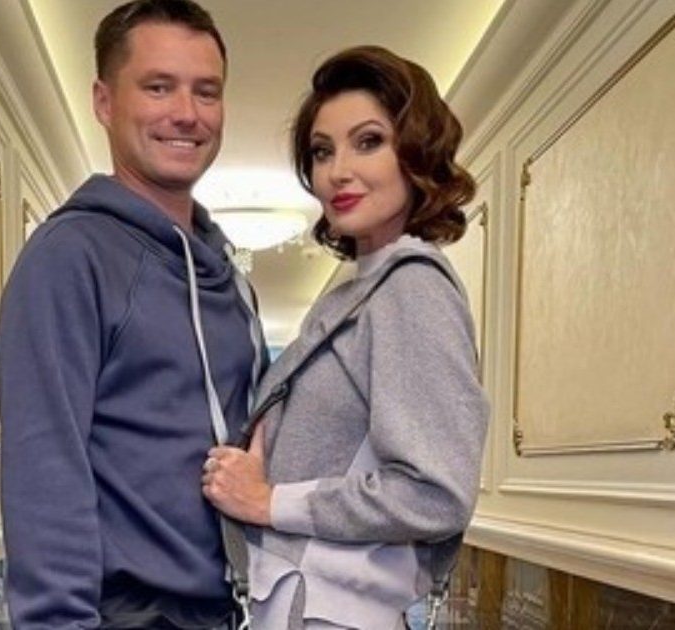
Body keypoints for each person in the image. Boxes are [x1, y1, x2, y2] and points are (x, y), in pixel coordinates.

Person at [0, 1, 266, 627]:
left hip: (233, 611)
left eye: (206, 91)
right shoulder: (68, 257)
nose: (187, 113)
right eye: (158, 87)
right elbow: (43, 473)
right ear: (104, 101)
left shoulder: (231, 280)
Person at [202, 46, 489, 629]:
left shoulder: (412, 287)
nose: (337, 171)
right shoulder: (360, 293)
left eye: (368, 141)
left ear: (416, 152)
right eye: (322, 151)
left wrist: (269, 501)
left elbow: (436, 494)